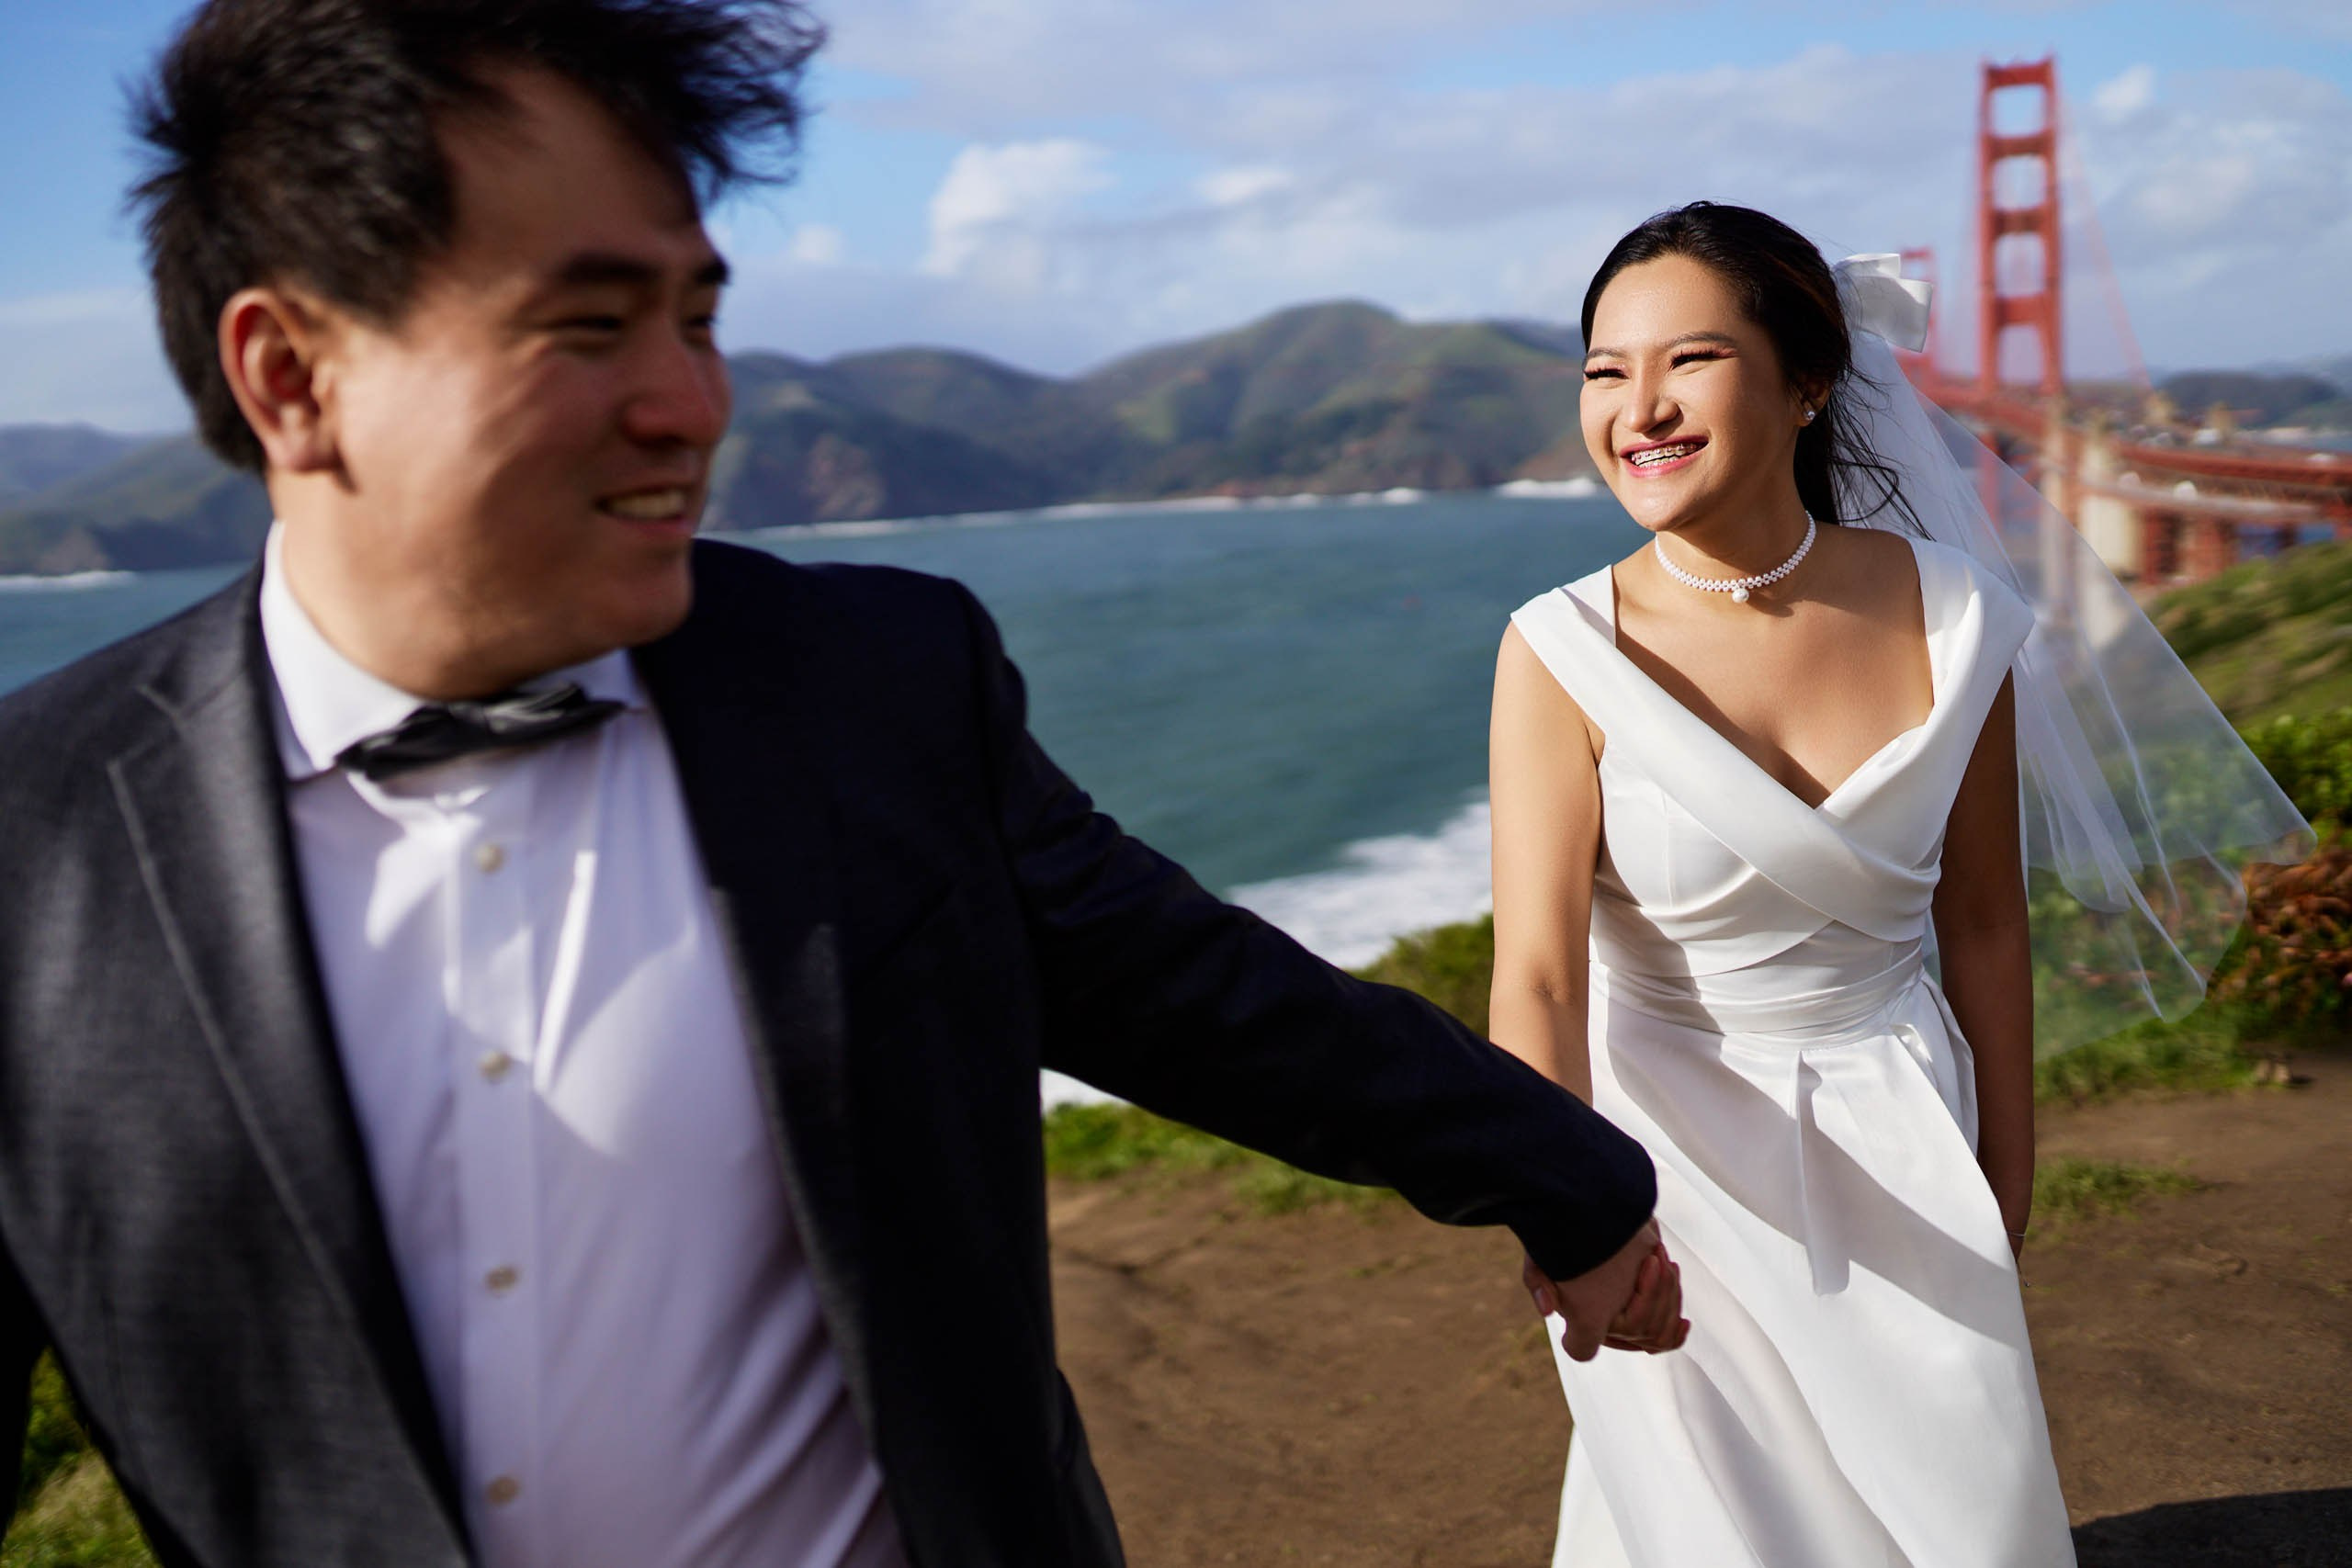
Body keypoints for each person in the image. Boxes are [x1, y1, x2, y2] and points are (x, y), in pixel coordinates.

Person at [0, 5, 1684, 1566]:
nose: (690, 404)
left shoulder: (871, 686)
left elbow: (1205, 999)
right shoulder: (34, 840)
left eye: (699, 318)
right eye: (590, 327)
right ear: (290, 376)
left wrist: (1566, 1178)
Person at [1488, 203, 2079, 1564]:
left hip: (1905, 1138)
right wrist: (1565, 1212)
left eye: (1687, 360)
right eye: (1603, 370)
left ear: (1809, 383)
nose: (1639, 407)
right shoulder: (1558, 652)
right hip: (1666, 1178)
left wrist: (2006, 1164)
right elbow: (1535, 974)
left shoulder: (1960, 615)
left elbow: (1984, 918)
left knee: (1965, 1518)